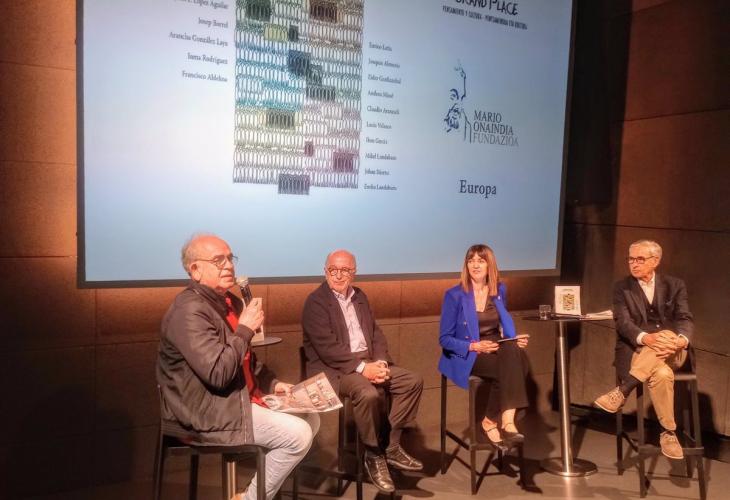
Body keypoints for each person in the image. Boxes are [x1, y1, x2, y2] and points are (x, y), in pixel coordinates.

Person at [157, 234, 319, 500]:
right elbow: (218, 374)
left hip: (235, 401)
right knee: (298, 435)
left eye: (230, 258)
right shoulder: (189, 312)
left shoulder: (229, 302)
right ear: (195, 270)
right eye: (218, 260)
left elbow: (246, 360)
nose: (229, 266)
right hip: (206, 413)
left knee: (310, 418)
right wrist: (244, 329)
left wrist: (273, 384)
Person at [301, 249, 424, 493]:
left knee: (412, 381)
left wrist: (381, 362)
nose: (338, 275)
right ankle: (373, 453)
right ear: (325, 271)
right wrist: (363, 369)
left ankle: (390, 446)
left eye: (345, 270)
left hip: (366, 362)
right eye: (333, 270)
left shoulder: (360, 296)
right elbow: (327, 348)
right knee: (367, 393)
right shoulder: (315, 302)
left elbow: (375, 333)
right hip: (333, 370)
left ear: (354, 273)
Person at [594, 239, 693, 460]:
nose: (634, 264)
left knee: (668, 334)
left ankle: (623, 390)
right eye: (631, 259)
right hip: (638, 351)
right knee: (662, 374)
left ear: (655, 261)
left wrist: (680, 340)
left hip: (675, 351)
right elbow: (623, 323)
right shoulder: (622, 288)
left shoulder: (675, 285)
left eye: (640, 259)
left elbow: (684, 318)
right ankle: (668, 433)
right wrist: (646, 338)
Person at [438, 244, 530, 449]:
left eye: (481, 261)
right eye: (471, 261)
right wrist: (475, 346)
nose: (475, 265)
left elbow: (503, 327)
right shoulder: (454, 295)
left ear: (490, 265)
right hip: (468, 351)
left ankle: (501, 420)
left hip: (495, 343)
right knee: (512, 367)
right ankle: (498, 420)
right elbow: (444, 339)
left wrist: (513, 339)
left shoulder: (499, 290)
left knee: (516, 354)